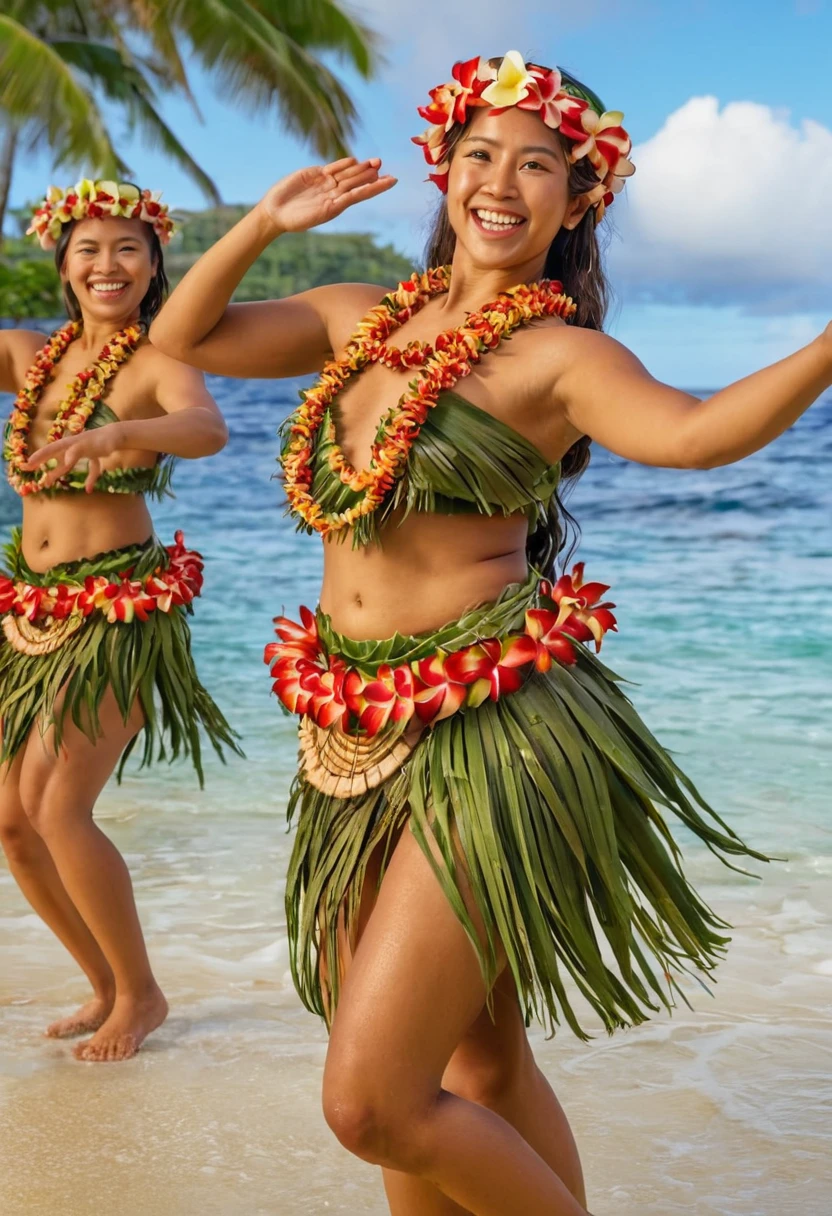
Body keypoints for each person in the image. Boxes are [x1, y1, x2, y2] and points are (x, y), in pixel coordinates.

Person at [150, 50, 829, 1215]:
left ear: (577, 200)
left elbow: (703, 434)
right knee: (478, 1065)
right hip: (350, 730)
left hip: (498, 736)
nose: (501, 180)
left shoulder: (559, 357)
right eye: (478, 153)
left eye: (538, 163)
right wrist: (265, 219)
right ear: (443, 172)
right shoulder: (357, 320)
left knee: (372, 1098)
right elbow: (184, 336)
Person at [0, 179, 240, 1063]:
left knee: (61, 808)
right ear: (62, 263)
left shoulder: (154, 361)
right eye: (89, 249)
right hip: (27, 605)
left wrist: (115, 437)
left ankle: (141, 995)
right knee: (11, 822)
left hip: (118, 607)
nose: (109, 265)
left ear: (154, 264)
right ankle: (103, 984)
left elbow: (207, 428)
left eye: (128, 249)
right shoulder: (29, 354)